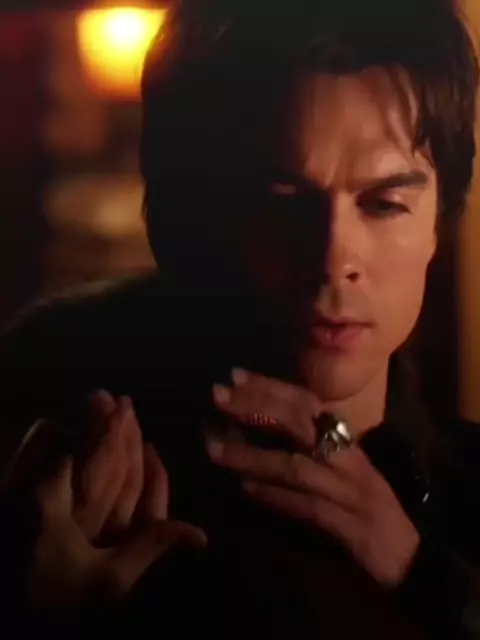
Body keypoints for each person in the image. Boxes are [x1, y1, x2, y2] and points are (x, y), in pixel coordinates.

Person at [1, 0, 480, 636]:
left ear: (438, 224)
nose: (334, 259)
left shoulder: (466, 497)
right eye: (283, 201)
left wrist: (425, 580)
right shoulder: (62, 455)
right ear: (199, 214)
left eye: (385, 204)